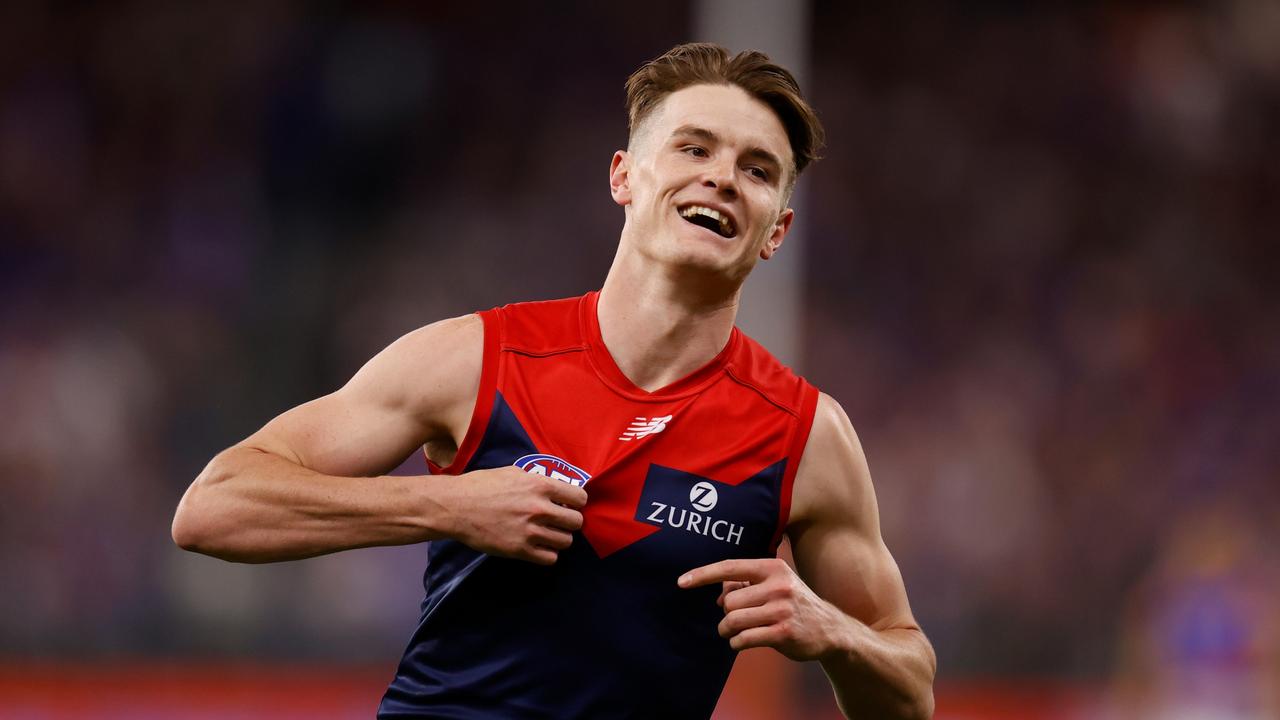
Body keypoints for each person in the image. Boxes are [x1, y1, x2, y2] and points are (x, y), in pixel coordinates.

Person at [172, 42, 936, 719]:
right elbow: (214, 508)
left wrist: (833, 632)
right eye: (693, 149)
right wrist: (445, 503)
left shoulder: (804, 435)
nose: (722, 179)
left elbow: (910, 694)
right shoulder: (477, 359)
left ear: (777, 231)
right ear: (625, 178)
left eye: (757, 169)